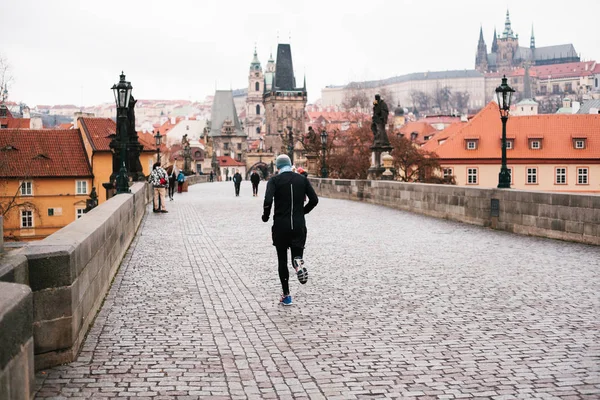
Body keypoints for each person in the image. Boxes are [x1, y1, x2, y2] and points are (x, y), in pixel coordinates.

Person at [262, 154, 318, 306]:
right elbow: (314, 200)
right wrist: (303, 211)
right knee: (296, 254)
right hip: (299, 224)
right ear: (290, 164)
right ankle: (298, 263)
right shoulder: (302, 179)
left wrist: (265, 216)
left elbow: (268, 200)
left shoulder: (274, 180)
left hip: (281, 225)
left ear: (277, 167)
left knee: (282, 259)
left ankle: (286, 295)